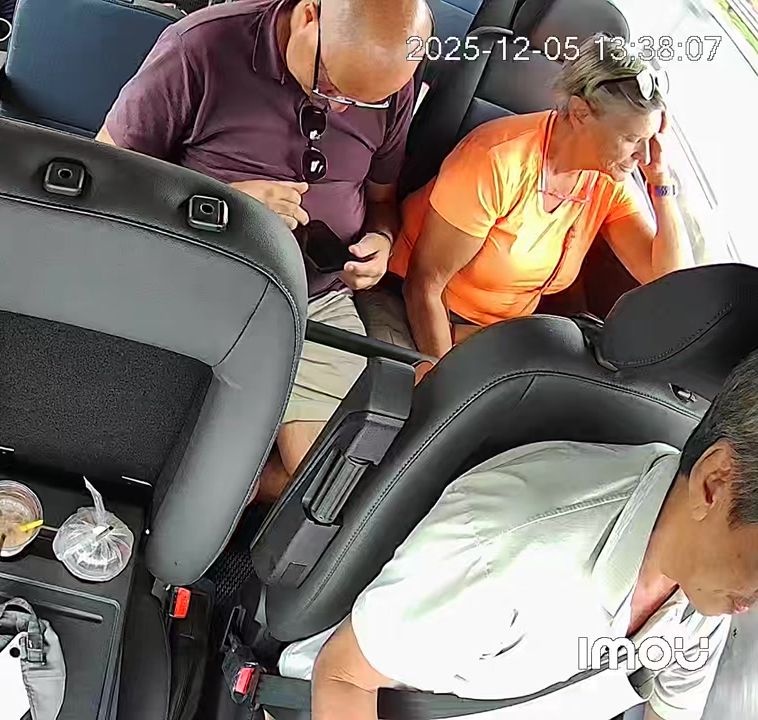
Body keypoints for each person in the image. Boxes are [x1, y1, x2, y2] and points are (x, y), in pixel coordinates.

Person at [283, 349, 758, 720]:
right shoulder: (506, 548)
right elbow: (345, 678)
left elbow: (674, 707)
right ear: (715, 482)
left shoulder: (707, 587)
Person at [97, 0, 431, 501]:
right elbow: (104, 178)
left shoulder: (387, 84)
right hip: (194, 283)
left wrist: (381, 241)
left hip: (315, 302)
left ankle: (237, 488)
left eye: (364, 101)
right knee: (149, 453)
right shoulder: (199, 49)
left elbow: (383, 200)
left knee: (329, 488)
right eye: (331, 87)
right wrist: (224, 203)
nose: (342, 109)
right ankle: (213, 486)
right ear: (309, 15)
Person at [389, 34, 691, 363]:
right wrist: (442, 375)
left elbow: (667, 281)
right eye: (632, 138)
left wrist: (660, 182)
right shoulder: (496, 161)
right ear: (580, 113)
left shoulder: (607, 181)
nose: (643, 155)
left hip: (494, 335)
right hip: (415, 312)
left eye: (651, 139)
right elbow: (424, 286)